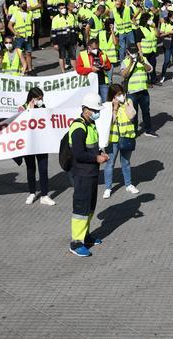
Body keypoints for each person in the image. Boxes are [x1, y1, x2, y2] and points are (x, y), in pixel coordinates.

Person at [67, 93, 109, 257]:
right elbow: (78, 153)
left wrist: (100, 152)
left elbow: (91, 147)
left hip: (91, 173)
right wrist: (96, 158)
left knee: (90, 206)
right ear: (85, 110)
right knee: (81, 209)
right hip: (82, 174)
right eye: (94, 110)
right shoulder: (78, 127)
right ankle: (76, 243)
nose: (97, 113)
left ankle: (85, 236)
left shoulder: (90, 124)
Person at [15, 87, 56, 205]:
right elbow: (21, 125)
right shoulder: (22, 108)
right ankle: (32, 193)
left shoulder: (42, 107)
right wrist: (30, 111)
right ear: (32, 98)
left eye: (41, 98)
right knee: (31, 169)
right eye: (38, 99)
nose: (40, 101)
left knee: (43, 169)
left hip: (42, 143)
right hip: (29, 144)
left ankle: (44, 195)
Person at [102, 83, 140, 198]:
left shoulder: (128, 101)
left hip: (127, 137)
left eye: (122, 93)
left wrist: (124, 105)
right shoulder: (106, 106)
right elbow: (109, 123)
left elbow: (132, 115)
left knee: (126, 162)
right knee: (110, 164)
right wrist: (114, 109)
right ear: (112, 96)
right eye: (118, 95)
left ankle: (129, 184)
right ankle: (108, 188)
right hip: (113, 140)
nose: (121, 96)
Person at [121, 43, 155, 136]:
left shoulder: (143, 59)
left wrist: (143, 62)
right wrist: (131, 63)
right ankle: (134, 131)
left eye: (135, 52)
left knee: (146, 111)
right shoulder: (125, 61)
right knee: (133, 113)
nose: (134, 54)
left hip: (143, 90)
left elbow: (150, 69)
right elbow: (124, 75)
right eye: (132, 52)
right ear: (128, 52)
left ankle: (148, 130)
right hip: (132, 92)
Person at [74, 37, 112, 103]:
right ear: (89, 47)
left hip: (102, 81)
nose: (96, 50)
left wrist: (104, 66)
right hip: (90, 83)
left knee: (106, 102)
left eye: (97, 48)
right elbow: (79, 69)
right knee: (93, 103)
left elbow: (109, 66)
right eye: (94, 48)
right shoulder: (82, 55)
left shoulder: (102, 53)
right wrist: (91, 69)